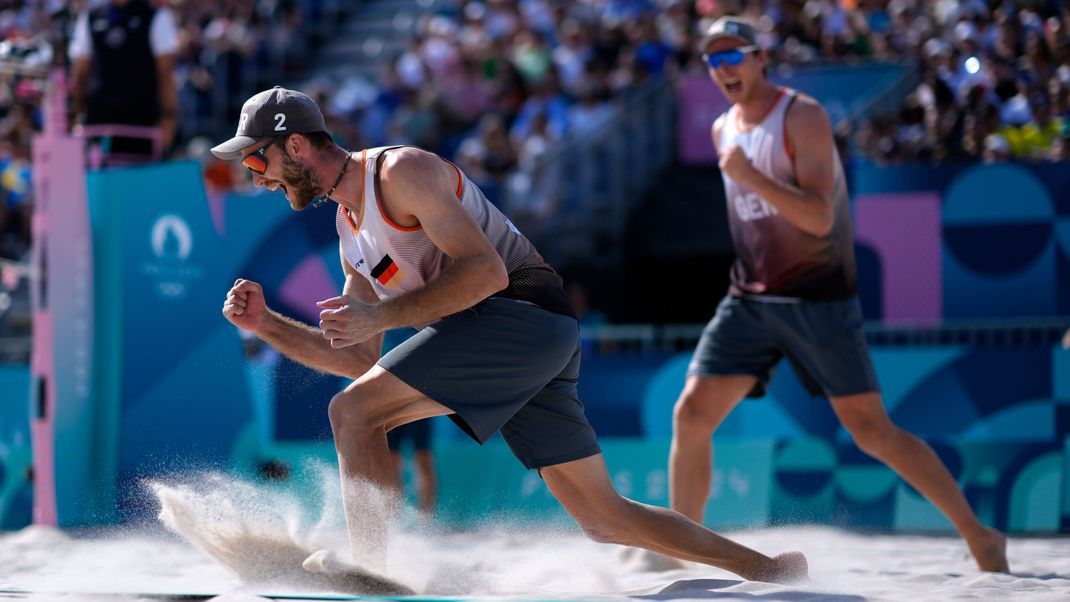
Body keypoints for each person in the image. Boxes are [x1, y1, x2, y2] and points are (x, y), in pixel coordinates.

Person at [214, 86, 807, 583]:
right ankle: (770, 570)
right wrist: (266, 324)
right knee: (603, 517)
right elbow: (357, 357)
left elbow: (487, 272)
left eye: (258, 160)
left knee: (353, 413)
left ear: (296, 144)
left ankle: (372, 575)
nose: (255, 176)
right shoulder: (350, 232)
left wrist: (385, 317)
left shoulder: (400, 171)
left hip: (519, 315)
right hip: (513, 339)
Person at [667, 17, 1008, 573]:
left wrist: (751, 177)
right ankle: (682, 551)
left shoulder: (800, 116)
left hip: (817, 297)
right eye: (714, 61)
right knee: (691, 414)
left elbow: (820, 218)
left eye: (734, 57)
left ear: (760, 59)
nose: (724, 69)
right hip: (752, 297)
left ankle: (979, 534)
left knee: (872, 431)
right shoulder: (723, 128)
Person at [69, 0, 179, 161]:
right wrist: (76, 113)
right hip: (99, 123)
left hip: (142, 123)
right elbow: (80, 72)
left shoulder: (156, 16)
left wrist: (169, 117)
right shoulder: (91, 17)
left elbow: (166, 74)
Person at [387, 419, 436, 515]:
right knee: (391, 463)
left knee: (423, 461)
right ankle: (394, 516)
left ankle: (426, 519)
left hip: (417, 409)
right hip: (390, 410)